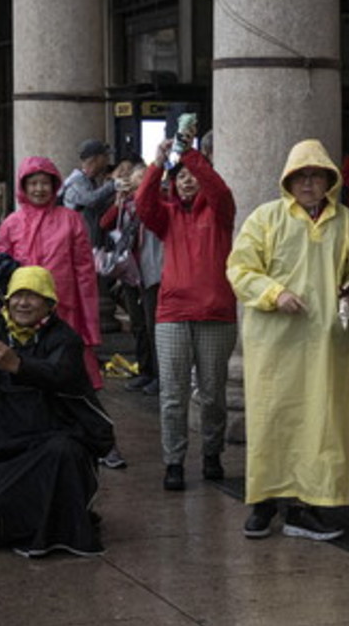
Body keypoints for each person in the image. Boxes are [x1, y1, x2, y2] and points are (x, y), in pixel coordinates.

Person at [226, 139, 349, 541]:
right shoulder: (266, 219)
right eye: (302, 176)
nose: (310, 183)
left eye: (317, 176)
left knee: (320, 424)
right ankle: (262, 503)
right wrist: (276, 294)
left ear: (329, 180)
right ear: (288, 180)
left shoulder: (346, 222)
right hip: (275, 346)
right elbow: (240, 270)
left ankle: (305, 506)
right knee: (272, 421)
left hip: (328, 346)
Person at [0, 266, 111, 558]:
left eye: (33, 297)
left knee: (62, 452)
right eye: (17, 295)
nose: (23, 303)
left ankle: (65, 529)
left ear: (49, 304)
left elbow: (62, 375)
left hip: (52, 429)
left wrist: (18, 366)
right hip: (3, 433)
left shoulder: (65, 338)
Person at [0, 156, 127, 467]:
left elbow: (84, 274)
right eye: (33, 183)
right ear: (23, 187)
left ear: (54, 186)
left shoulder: (70, 220)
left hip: (65, 314)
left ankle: (102, 441)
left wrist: (89, 324)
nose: (39, 189)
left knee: (82, 382)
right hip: (23, 318)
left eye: (45, 183)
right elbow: (0, 271)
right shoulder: (11, 223)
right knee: (29, 379)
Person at [137, 137, 237, 492]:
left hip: (216, 314)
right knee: (174, 394)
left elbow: (219, 189)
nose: (188, 180)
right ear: (172, 184)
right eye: (180, 177)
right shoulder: (167, 216)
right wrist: (157, 165)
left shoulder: (220, 212)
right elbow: (143, 204)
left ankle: (212, 453)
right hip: (173, 313)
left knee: (212, 394)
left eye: (192, 176)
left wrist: (190, 156)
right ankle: (174, 461)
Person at [99, 163, 163, 397]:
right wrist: (118, 202)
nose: (135, 182)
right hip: (129, 271)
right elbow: (105, 224)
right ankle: (145, 370)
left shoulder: (157, 202)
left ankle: (159, 375)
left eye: (140, 178)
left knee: (152, 324)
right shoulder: (125, 205)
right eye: (135, 178)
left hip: (150, 271)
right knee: (138, 324)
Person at [62, 138, 117, 247]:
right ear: (95, 159)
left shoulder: (89, 180)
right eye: (105, 157)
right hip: (75, 244)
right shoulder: (77, 180)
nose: (107, 161)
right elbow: (90, 200)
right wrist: (113, 185)